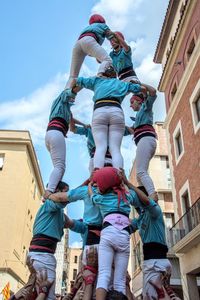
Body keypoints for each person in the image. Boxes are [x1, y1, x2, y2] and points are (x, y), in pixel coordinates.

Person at [72, 68, 145, 169]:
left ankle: (98, 174)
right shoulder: (122, 84)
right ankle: (119, 174)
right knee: (115, 149)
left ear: (104, 74)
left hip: (100, 110)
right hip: (116, 110)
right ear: (115, 75)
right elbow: (140, 88)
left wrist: (71, 92)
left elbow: (76, 80)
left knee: (100, 147)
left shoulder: (97, 80)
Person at [87, 167, 142, 300]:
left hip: (108, 233)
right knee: (120, 280)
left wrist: (90, 184)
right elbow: (129, 191)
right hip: (124, 235)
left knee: (104, 275)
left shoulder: (101, 198)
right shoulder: (126, 197)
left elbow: (91, 194)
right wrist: (123, 181)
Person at [124, 183, 181, 300]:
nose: (136, 207)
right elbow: (126, 224)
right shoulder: (141, 219)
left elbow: (146, 202)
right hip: (152, 263)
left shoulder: (154, 211)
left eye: (136, 202)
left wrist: (127, 182)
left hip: (156, 263)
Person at [27, 181, 69, 300]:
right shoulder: (51, 204)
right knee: (48, 296)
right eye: (65, 192)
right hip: (43, 255)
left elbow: (73, 224)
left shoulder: (57, 212)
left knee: (40, 294)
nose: (67, 195)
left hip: (40, 255)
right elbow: (65, 198)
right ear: (57, 192)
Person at [44, 87, 80, 199]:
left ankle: (53, 188)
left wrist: (84, 125)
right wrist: (85, 83)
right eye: (72, 97)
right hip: (56, 133)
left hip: (50, 134)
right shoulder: (62, 97)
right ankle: (49, 192)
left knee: (58, 167)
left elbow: (72, 120)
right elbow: (72, 90)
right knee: (60, 166)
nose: (74, 99)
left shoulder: (67, 109)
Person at [66, 14, 114, 88]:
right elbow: (112, 37)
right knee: (107, 60)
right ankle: (100, 76)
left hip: (77, 44)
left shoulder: (88, 28)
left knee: (73, 75)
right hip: (89, 40)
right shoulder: (103, 25)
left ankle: (67, 93)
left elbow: (91, 50)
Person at [130, 83, 158, 201]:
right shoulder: (137, 119)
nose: (131, 106)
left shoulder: (146, 107)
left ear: (138, 101)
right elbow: (131, 130)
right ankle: (144, 198)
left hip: (146, 140)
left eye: (132, 102)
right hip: (146, 141)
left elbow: (153, 91)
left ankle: (152, 194)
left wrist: (139, 84)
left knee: (141, 171)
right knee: (139, 176)